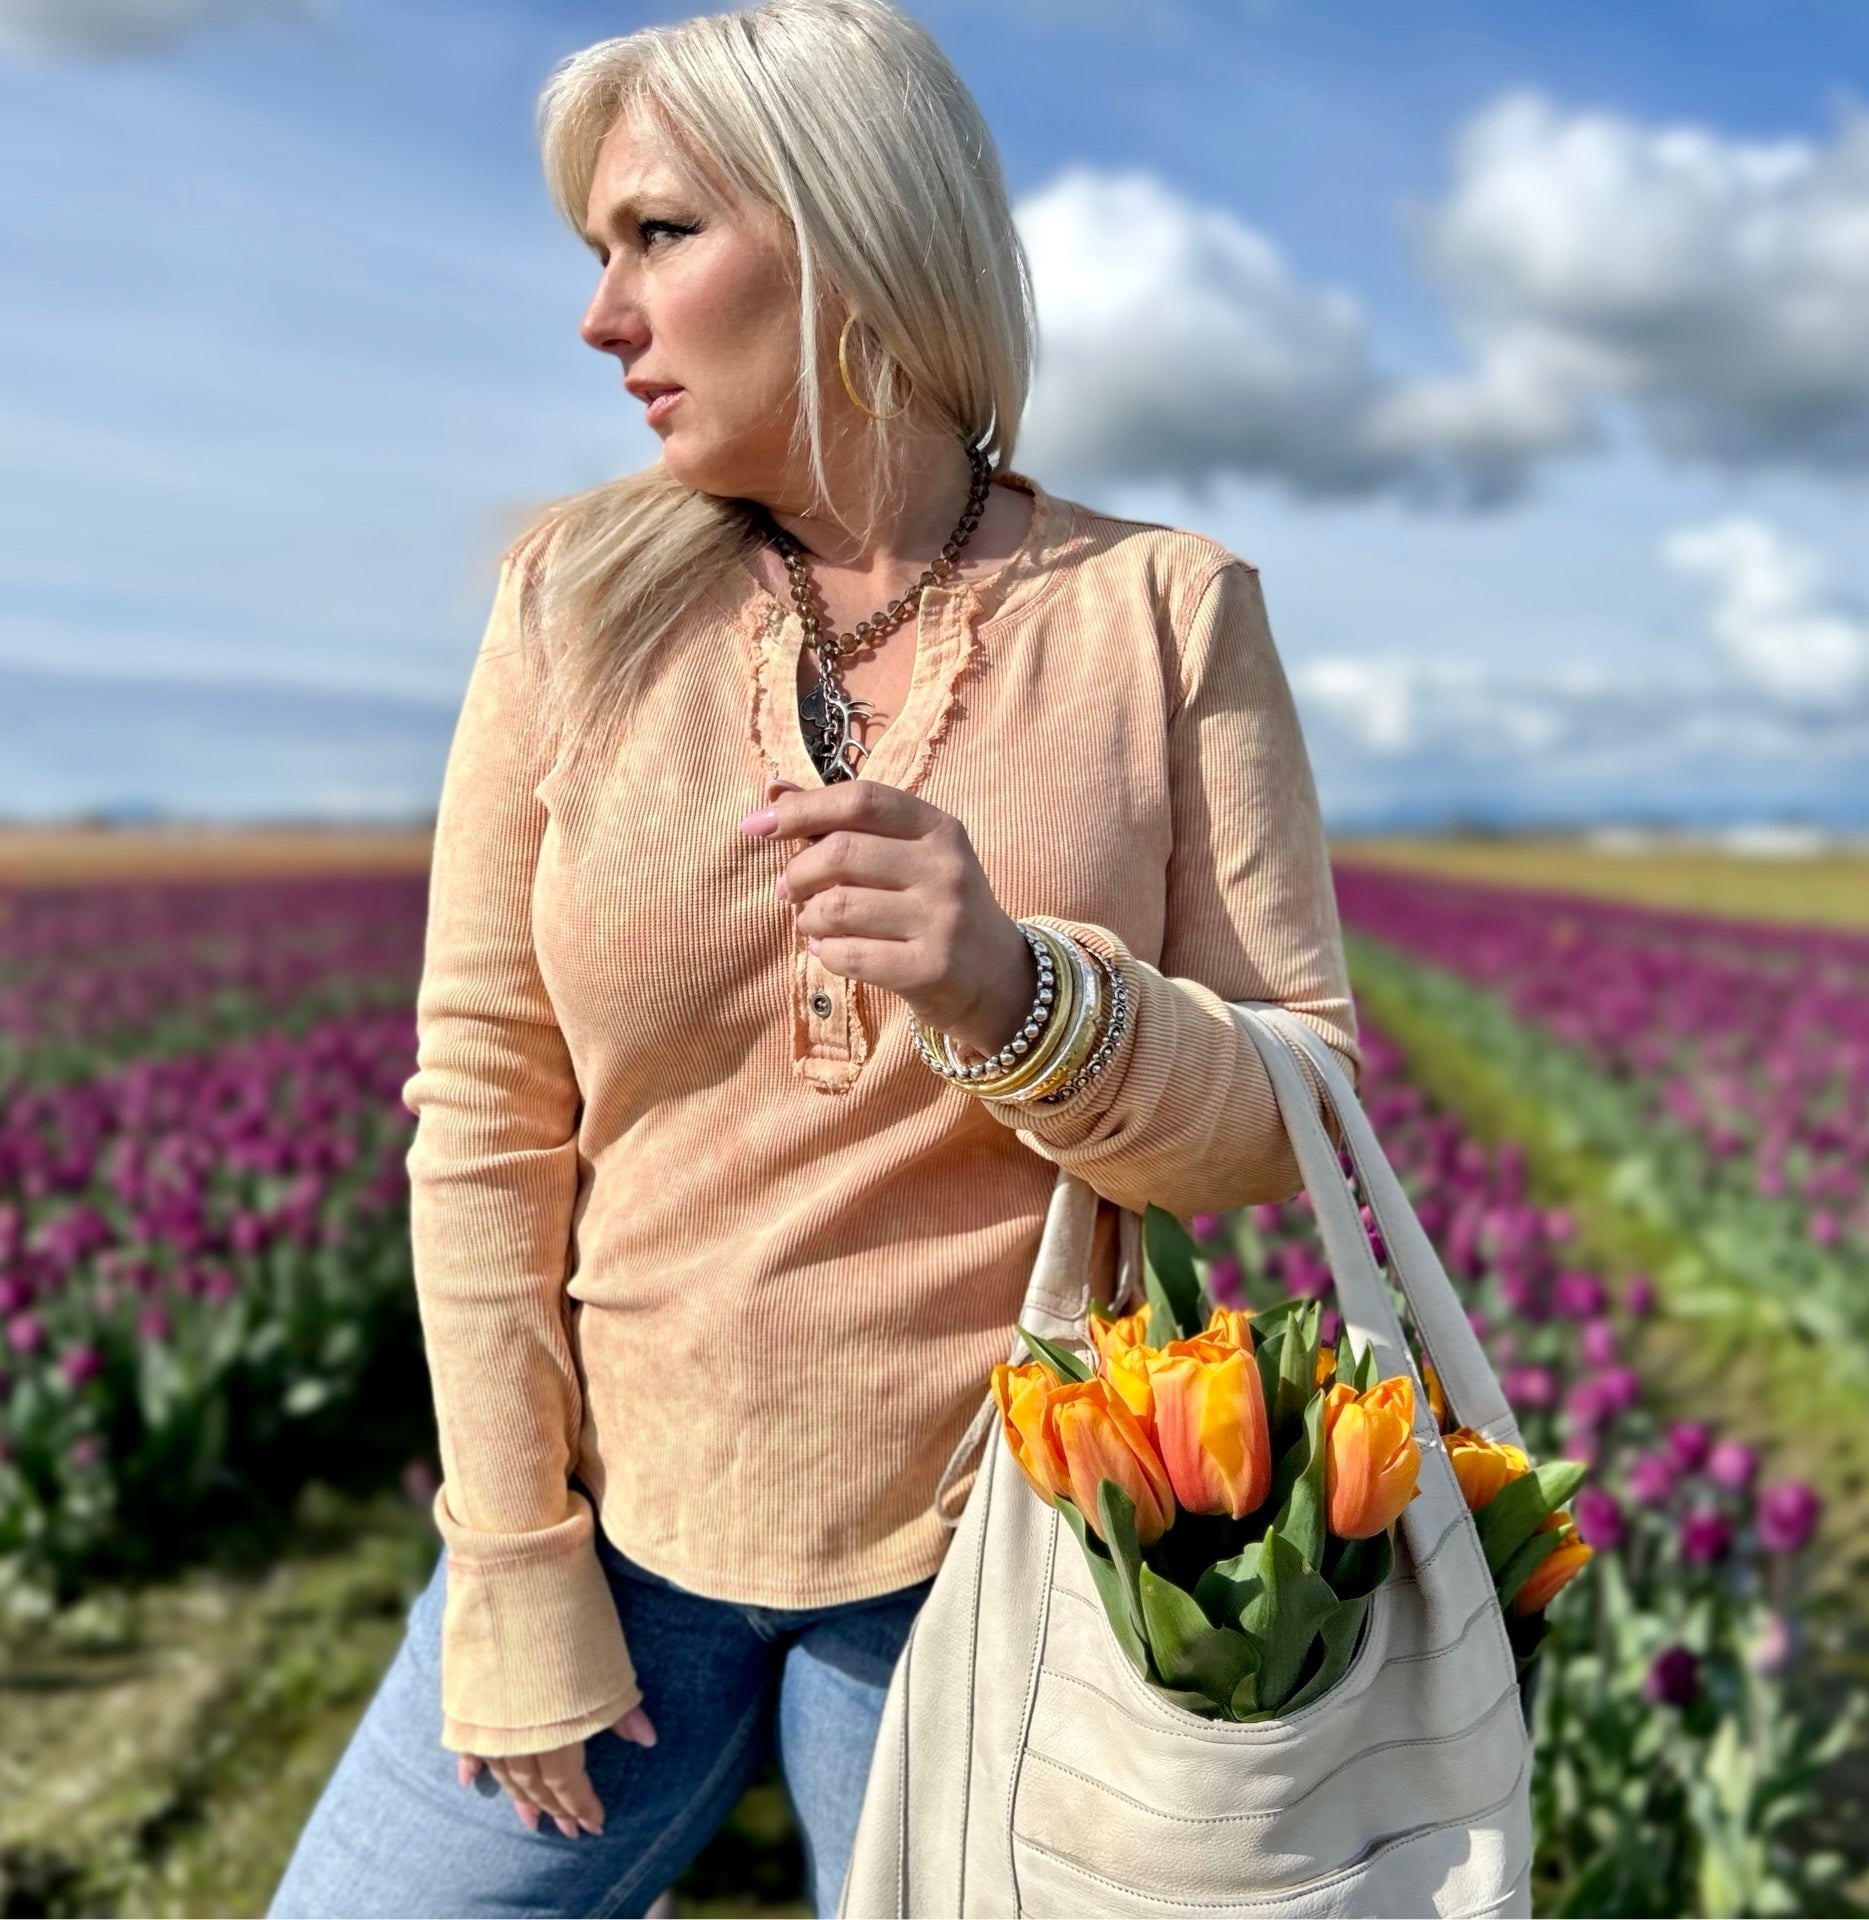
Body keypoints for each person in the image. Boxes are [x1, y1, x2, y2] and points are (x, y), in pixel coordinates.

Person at [267, 1, 1361, 1914]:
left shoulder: (1164, 612)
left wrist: (1025, 1000)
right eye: (597, 252)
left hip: (994, 1560)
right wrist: (514, 1556)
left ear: (848, 227)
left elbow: (1301, 1116)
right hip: (609, 1528)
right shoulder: (567, 599)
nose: (602, 319)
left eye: (656, 237)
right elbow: (486, 1105)